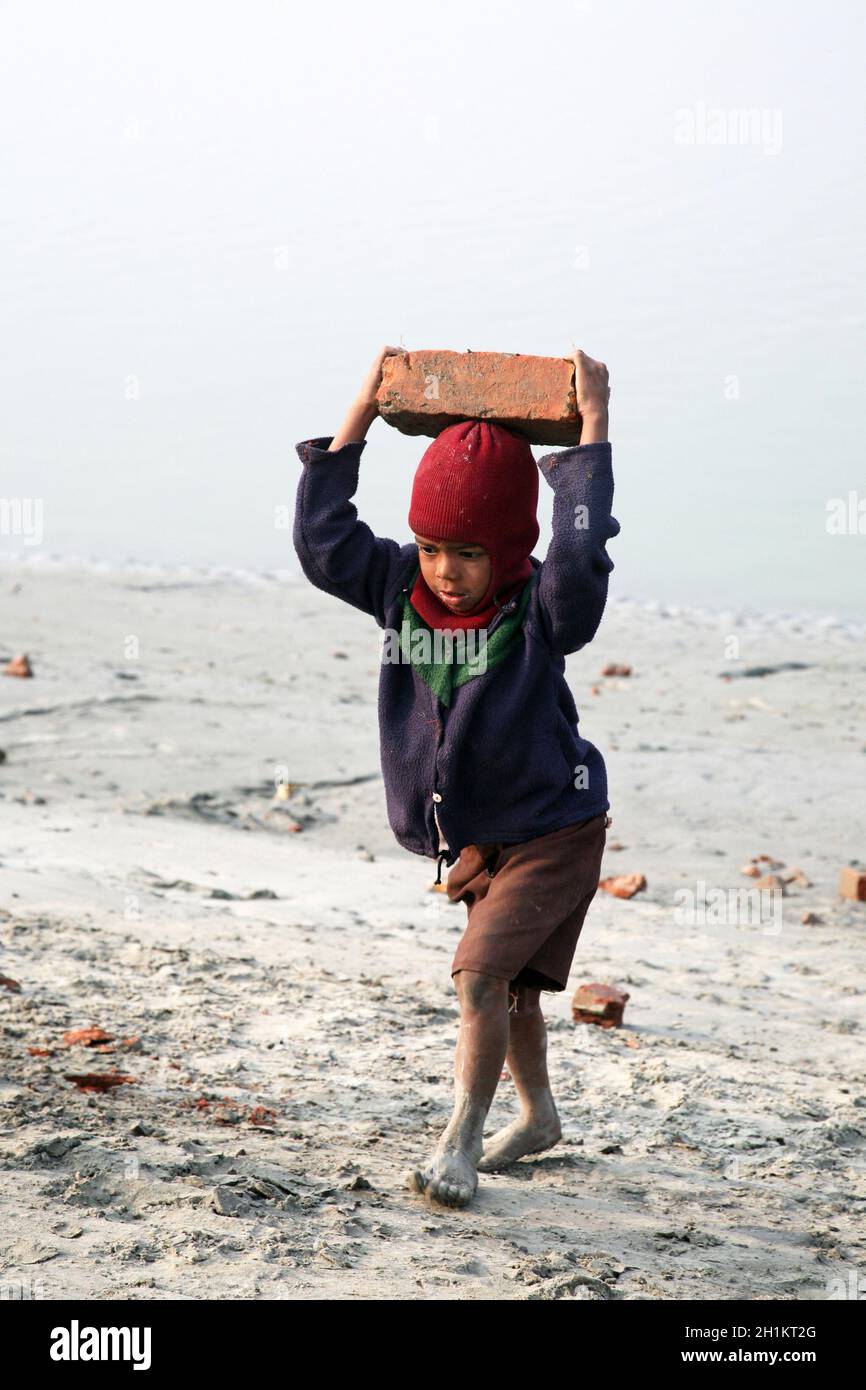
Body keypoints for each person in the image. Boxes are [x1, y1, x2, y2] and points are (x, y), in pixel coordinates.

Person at [293, 345, 620, 1207]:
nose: (446, 568)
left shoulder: (541, 608)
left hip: (556, 830)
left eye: (469, 552)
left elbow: (582, 559)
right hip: (485, 837)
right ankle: (539, 1116)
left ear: (510, 547)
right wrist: (362, 406)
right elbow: (324, 541)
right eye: (434, 547)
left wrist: (592, 431)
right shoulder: (399, 587)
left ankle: (459, 1144)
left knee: (477, 977)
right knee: (510, 992)